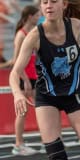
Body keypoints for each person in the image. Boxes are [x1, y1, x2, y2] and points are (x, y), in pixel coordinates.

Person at [9, 0, 80, 160]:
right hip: (47, 96)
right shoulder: (34, 36)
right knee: (56, 156)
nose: (48, 5)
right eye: (44, 2)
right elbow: (15, 72)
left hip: (73, 92)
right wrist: (17, 94)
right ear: (41, 7)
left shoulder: (74, 25)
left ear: (64, 5)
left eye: (54, 1)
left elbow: (77, 49)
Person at [8, 5, 41, 156]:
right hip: (24, 78)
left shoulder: (32, 34)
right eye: (37, 15)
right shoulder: (21, 35)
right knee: (23, 111)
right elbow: (16, 62)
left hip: (33, 77)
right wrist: (26, 80)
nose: (39, 18)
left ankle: (49, 139)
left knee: (43, 108)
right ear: (29, 17)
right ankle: (18, 144)